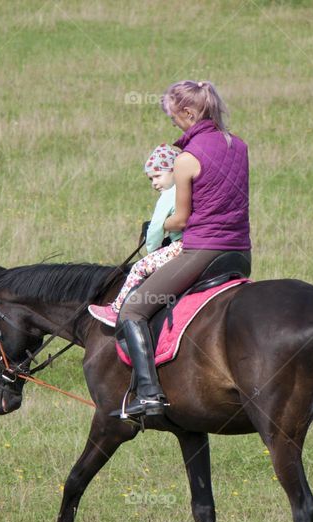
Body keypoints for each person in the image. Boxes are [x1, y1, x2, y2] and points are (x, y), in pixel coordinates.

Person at [113, 80, 252, 419]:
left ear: (189, 113)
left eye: (174, 117)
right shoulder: (239, 145)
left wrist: (159, 227)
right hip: (240, 254)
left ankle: (148, 394)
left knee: (133, 309)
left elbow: (183, 218)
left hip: (202, 253)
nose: (173, 123)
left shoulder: (187, 159)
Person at [88, 144, 183, 327]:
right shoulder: (188, 190)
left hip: (179, 247)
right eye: (150, 179)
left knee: (139, 268)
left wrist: (152, 251)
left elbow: (155, 228)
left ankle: (116, 310)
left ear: (174, 171)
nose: (154, 183)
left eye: (157, 176)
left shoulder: (168, 195)